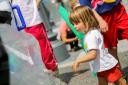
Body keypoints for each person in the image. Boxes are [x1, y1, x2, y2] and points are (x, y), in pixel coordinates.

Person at [70, 6, 127, 85]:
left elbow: (93, 54)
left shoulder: (91, 35)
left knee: (120, 83)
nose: (74, 26)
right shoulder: (90, 33)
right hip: (101, 66)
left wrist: (78, 61)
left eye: (77, 23)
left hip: (107, 66)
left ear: (86, 20)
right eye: (73, 24)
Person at [12, 0, 58, 75]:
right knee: (29, 47)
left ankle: (52, 67)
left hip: (32, 20)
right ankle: (40, 69)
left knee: (42, 45)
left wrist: (35, 7)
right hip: (21, 23)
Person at [78, 0, 128, 69]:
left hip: (118, 8)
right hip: (103, 15)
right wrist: (100, 20)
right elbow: (87, 6)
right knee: (112, 48)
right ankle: (120, 77)